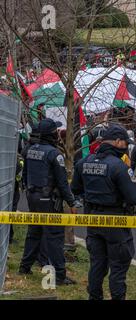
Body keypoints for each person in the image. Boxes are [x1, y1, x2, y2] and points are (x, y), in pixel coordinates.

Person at [71, 125, 136, 300]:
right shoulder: (119, 166)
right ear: (117, 142)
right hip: (116, 222)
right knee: (118, 266)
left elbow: (75, 189)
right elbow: (133, 197)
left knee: (97, 264)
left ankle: (94, 297)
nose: (126, 147)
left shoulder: (83, 162)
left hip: (93, 220)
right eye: (125, 143)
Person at [19, 118, 79, 285]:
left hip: (32, 196)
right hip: (48, 200)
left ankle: (25, 267)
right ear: (51, 134)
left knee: (34, 232)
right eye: (55, 132)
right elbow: (62, 182)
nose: (57, 134)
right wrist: (72, 202)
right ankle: (59, 276)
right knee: (54, 236)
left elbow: (25, 175)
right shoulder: (54, 154)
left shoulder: (29, 149)